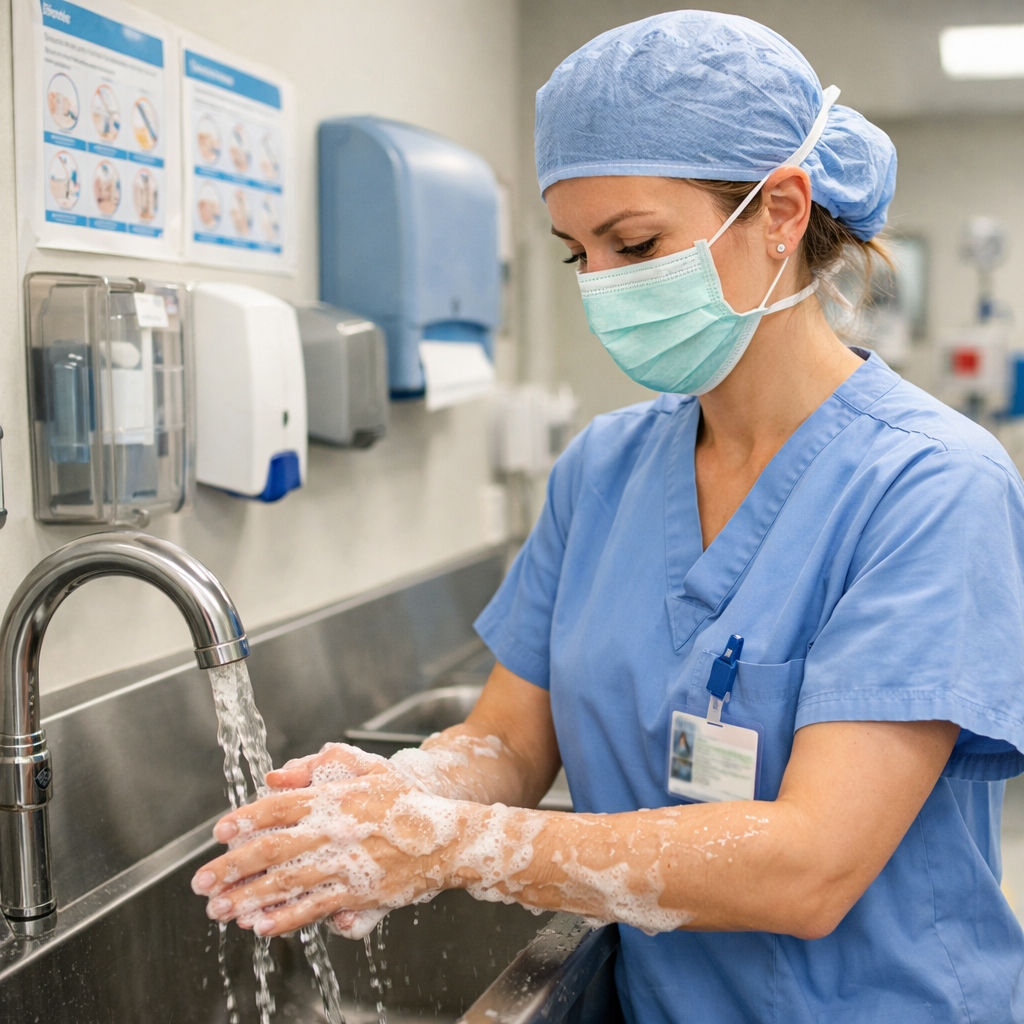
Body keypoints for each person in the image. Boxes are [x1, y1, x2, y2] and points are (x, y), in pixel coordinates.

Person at [192, 11, 1024, 1022]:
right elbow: (511, 740)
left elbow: (811, 866)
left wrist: (453, 846)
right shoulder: (604, 468)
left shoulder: (931, 485)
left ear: (781, 212)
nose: (602, 285)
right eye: (576, 253)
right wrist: (407, 791)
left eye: (635, 243)